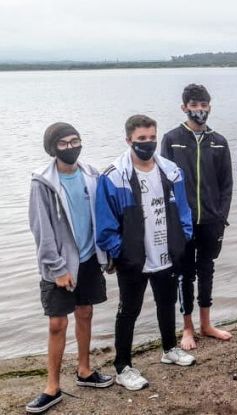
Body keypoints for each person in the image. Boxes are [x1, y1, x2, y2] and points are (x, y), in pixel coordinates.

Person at [96, 114, 195, 391]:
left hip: (165, 250)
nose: (148, 143)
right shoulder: (114, 176)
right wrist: (122, 252)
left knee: (166, 302)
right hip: (133, 257)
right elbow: (105, 224)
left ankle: (169, 349)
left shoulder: (171, 170)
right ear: (129, 140)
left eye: (152, 138)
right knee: (129, 310)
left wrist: (182, 238)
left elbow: (184, 210)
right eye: (141, 139)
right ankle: (123, 366)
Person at [26, 123, 114, 413]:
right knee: (57, 323)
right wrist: (57, 267)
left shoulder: (91, 173)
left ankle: (85, 371)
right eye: (63, 143)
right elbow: (41, 229)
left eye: (75, 140)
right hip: (61, 263)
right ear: (53, 148)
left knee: (85, 313)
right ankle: (51, 386)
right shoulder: (43, 182)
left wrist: (107, 252)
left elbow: (101, 214)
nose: (71, 147)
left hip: (89, 258)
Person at [161, 83, 233, 350]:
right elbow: (165, 182)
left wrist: (221, 215)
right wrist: (174, 218)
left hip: (211, 221)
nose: (199, 110)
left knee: (207, 270)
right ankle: (187, 328)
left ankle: (207, 324)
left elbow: (227, 184)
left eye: (203, 105)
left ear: (209, 107)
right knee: (184, 274)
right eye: (194, 105)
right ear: (184, 107)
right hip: (183, 221)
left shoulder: (219, 142)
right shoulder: (171, 139)